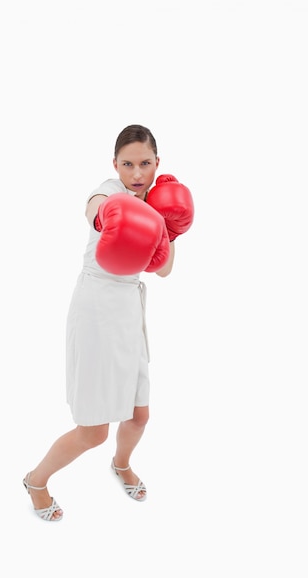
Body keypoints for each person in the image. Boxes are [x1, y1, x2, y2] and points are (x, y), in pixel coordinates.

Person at [23, 124, 194, 521]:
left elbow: (164, 271)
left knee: (139, 415)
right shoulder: (110, 191)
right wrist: (108, 217)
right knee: (93, 431)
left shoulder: (159, 201)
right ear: (115, 164)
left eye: (145, 164)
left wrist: (166, 228)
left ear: (157, 164)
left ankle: (121, 465)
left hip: (129, 314)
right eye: (128, 164)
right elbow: (93, 209)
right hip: (97, 311)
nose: (137, 173)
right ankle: (36, 480)